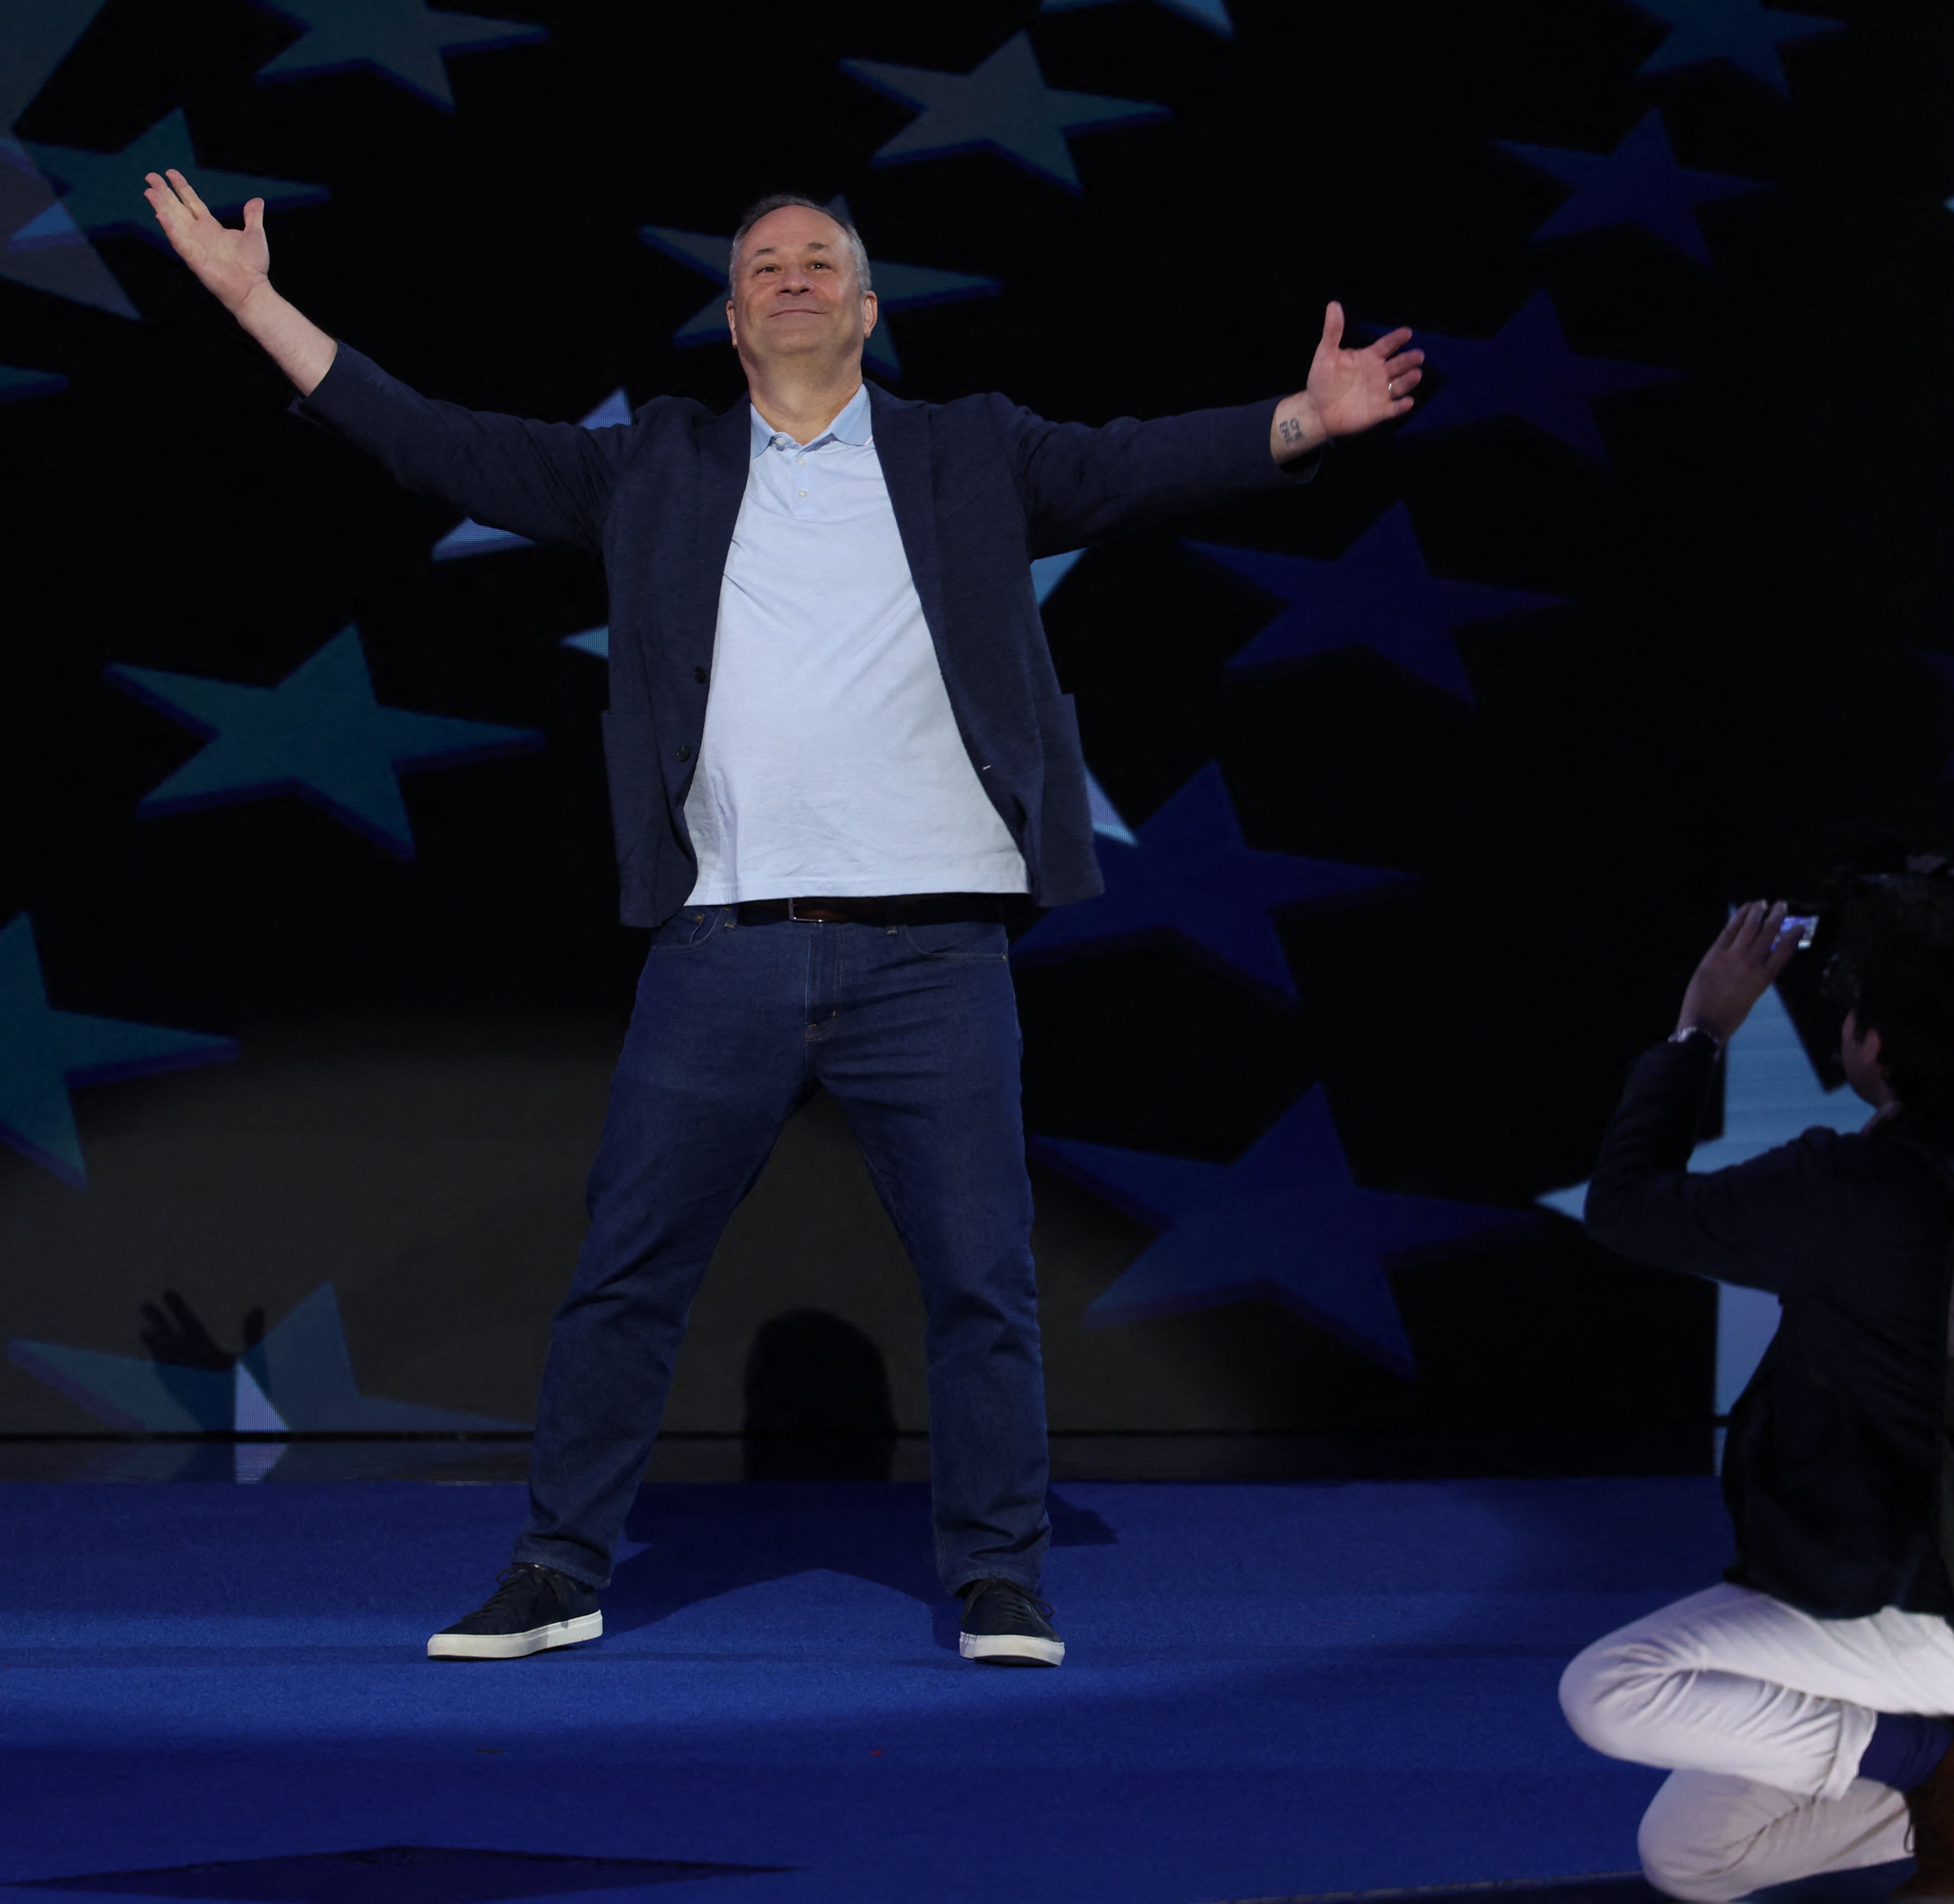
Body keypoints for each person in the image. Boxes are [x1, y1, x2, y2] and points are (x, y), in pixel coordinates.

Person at [141, 174, 1424, 1667]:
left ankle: (999, 1576)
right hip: (724, 951)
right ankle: (558, 1566)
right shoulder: (656, 467)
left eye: (825, 260)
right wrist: (253, 306)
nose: (797, 276)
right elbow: (443, 447)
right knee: (627, 1272)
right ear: (735, 318)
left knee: (980, 1279)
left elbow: (1133, 464)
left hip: (930, 953)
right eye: (767, 264)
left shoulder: (965, 450)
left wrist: (1301, 422)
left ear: (870, 311)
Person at [1558, 883, 1954, 1903]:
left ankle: (1946, 1763)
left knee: (1609, 1689)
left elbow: (1621, 1206)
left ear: (1872, 1045)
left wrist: (1700, 1028)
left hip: (1916, 1619)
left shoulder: (1847, 1187)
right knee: (1689, 1857)